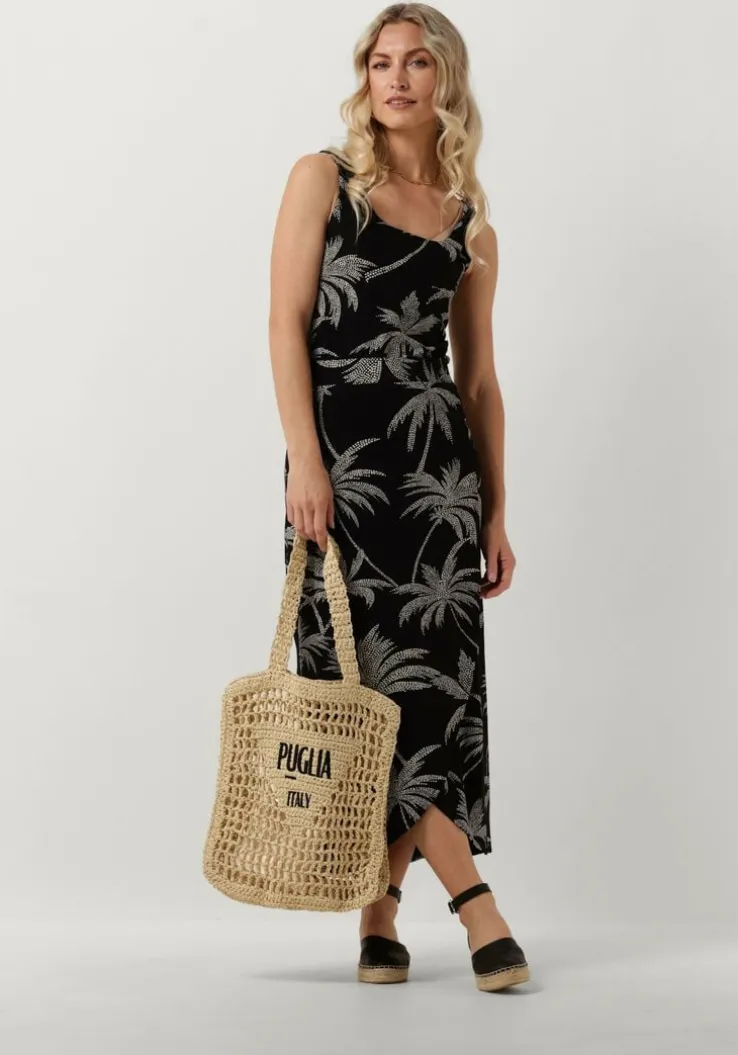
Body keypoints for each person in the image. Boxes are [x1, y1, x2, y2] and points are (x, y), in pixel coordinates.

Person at [268, 3, 529, 992]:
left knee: (431, 692)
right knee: (362, 684)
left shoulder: (470, 221)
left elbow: (479, 381)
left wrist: (495, 508)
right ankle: (476, 903)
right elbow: (286, 322)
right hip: (341, 468)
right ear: (365, 76)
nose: (397, 79)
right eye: (381, 62)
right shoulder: (322, 179)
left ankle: (378, 916)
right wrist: (303, 459)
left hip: (437, 484)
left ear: (445, 79)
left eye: (417, 62)